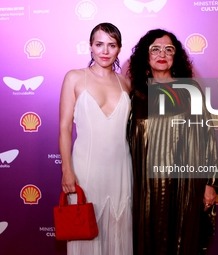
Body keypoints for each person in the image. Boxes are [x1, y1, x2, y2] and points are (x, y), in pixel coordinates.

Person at [127, 29, 218, 255]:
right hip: (146, 189)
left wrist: (211, 183)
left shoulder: (190, 91)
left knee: (184, 241)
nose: (162, 53)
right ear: (145, 56)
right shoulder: (137, 95)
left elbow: (208, 136)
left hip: (186, 185)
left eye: (169, 49)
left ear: (175, 56)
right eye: (155, 49)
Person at [59, 23, 133, 255]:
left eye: (111, 45)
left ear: (119, 49)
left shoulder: (127, 83)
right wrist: (66, 170)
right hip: (86, 170)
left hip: (121, 170)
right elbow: (64, 128)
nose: (105, 51)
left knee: (120, 229)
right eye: (99, 44)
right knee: (85, 231)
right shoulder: (74, 77)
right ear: (90, 46)